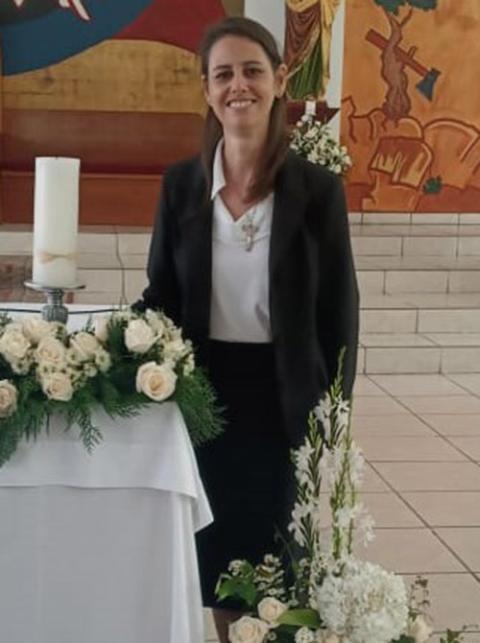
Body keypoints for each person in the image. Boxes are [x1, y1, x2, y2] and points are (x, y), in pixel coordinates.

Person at [134, 16, 359, 643]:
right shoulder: (181, 186)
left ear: (279, 80)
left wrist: (335, 418)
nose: (240, 85)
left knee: (272, 557)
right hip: (202, 398)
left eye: (253, 70)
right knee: (214, 550)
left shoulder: (317, 191)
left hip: (282, 393)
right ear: (206, 89)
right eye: (224, 74)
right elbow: (162, 296)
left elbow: (339, 311)